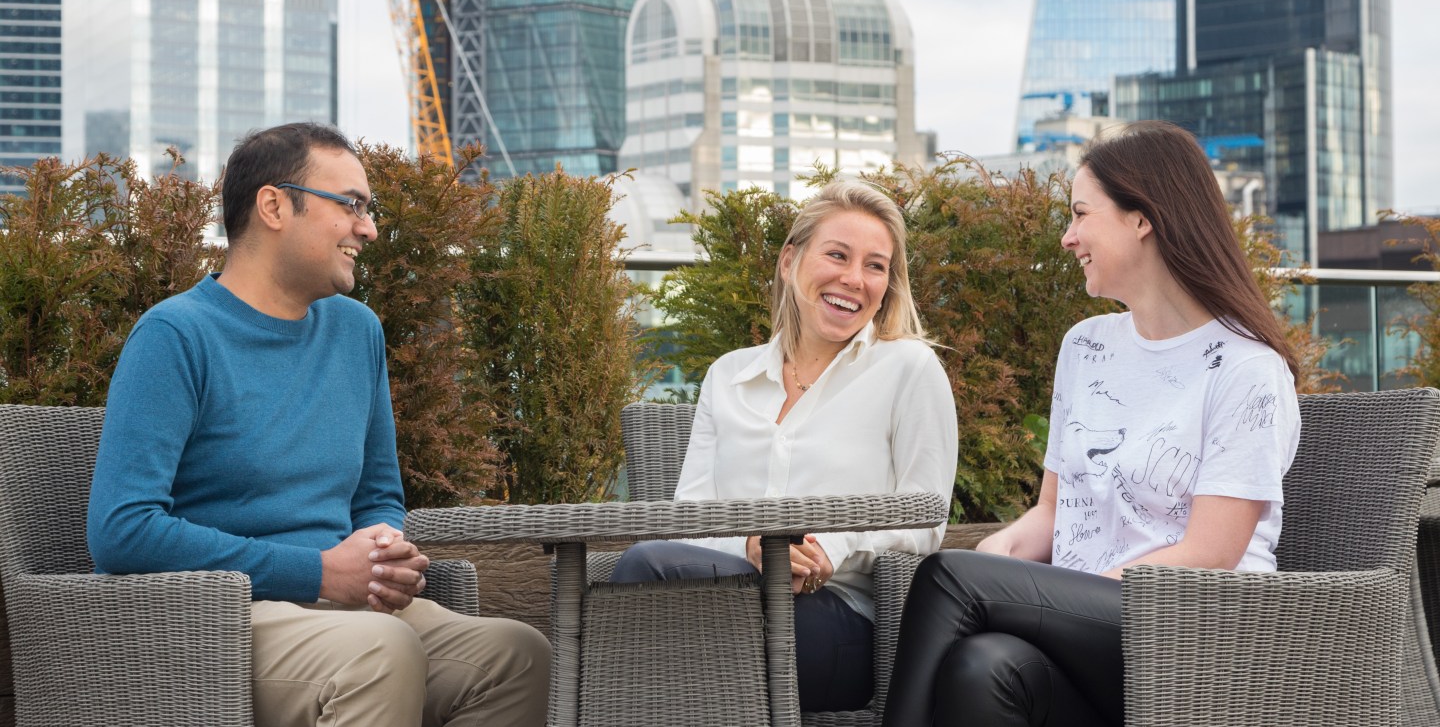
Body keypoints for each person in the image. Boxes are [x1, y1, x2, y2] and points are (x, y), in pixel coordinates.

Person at [87, 123, 550, 727]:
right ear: (274, 206)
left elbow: (378, 494)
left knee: (514, 655)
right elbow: (122, 530)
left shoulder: (357, 332)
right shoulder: (175, 336)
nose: (369, 227)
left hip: (347, 610)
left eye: (368, 208)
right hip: (218, 619)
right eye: (350, 204)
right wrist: (322, 573)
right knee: (381, 652)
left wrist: (381, 551)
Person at [882, 120, 1302, 727]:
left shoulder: (1247, 370)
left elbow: (1211, 553)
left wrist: (1058, 598)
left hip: (1200, 633)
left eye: (1081, 214)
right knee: (982, 667)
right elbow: (1054, 512)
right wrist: (1002, 557)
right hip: (1094, 628)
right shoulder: (1087, 346)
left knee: (951, 579)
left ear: (1142, 219)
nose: (1067, 237)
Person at [610, 179, 959, 712]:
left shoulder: (909, 368)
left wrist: (830, 548)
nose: (854, 279)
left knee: (646, 578)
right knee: (652, 588)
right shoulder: (729, 376)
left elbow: (925, 518)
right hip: (727, 597)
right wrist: (751, 546)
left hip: (840, 621)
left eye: (875, 266)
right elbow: (688, 520)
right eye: (837, 255)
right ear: (789, 261)